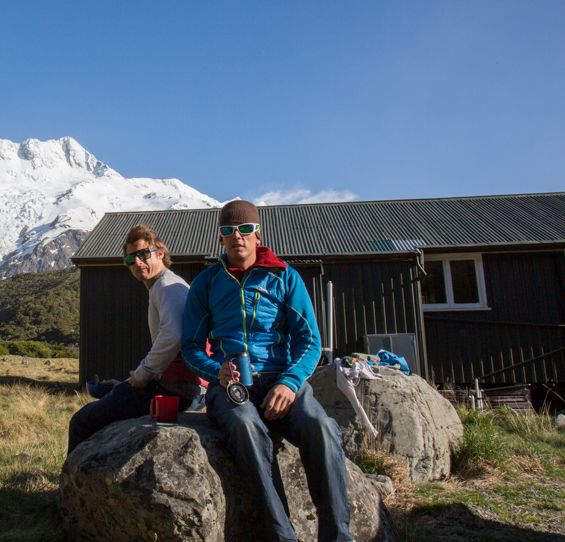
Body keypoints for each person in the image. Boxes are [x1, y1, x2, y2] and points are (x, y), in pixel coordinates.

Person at [181, 200, 352, 542]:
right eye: (228, 230)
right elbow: (190, 346)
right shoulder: (206, 283)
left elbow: (310, 340)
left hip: (280, 379)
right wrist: (217, 372)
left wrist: (290, 382)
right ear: (220, 239)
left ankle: (337, 536)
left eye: (245, 229)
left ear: (258, 234)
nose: (237, 237)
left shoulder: (285, 277)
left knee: (321, 428)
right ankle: (281, 536)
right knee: (245, 426)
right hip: (232, 385)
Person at [68, 223, 206, 455]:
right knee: (112, 399)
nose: (138, 262)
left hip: (176, 391)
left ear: (160, 254)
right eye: (131, 259)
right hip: (179, 386)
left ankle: (72, 488)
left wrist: (142, 375)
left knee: (82, 421)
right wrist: (125, 385)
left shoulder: (167, 286)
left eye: (143, 255)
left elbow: (173, 336)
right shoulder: (165, 285)